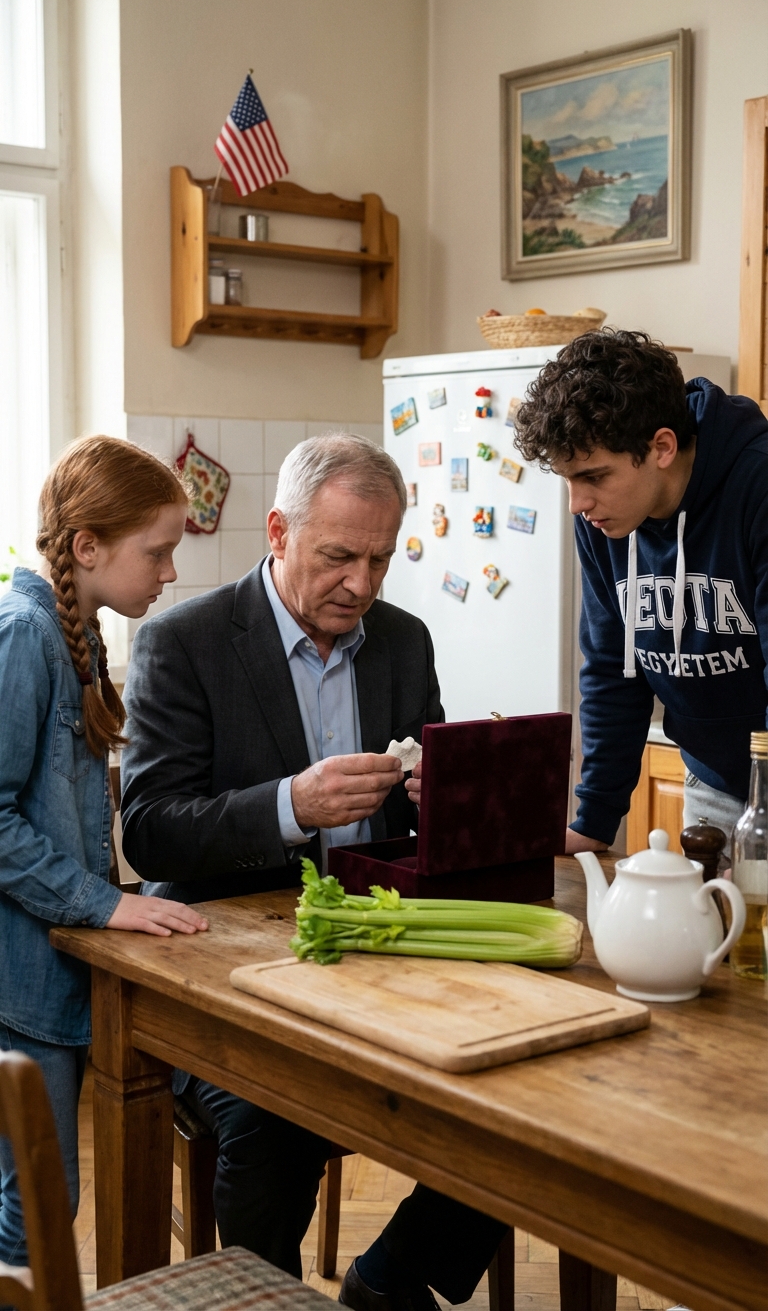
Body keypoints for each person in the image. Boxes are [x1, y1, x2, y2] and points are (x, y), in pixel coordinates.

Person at [121, 433, 506, 1311]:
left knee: (513, 1099)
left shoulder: (403, 642)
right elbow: (148, 833)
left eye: (380, 559)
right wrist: (291, 804)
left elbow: (424, 821)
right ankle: (268, 1298)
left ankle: (389, 1278)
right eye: (339, 557)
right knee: (273, 1118)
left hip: (380, 955)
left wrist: (466, 790)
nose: (362, 586)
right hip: (221, 972)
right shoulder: (184, 642)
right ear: (279, 532)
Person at [0, 437, 208, 1268]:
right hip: (18, 979)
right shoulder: (25, 637)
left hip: (50, 972)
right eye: (156, 552)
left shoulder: (75, 635)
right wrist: (108, 904)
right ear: (87, 548)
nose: (168, 573)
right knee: (39, 1210)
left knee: (40, 1200)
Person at [514, 328, 768, 857]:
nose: (576, 503)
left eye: (593, 476)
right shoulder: (606, 520)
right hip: (715, 784)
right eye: (566, 479)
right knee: (712, 935)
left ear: (661, 447)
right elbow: (612, 667)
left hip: (760, 782)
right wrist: (594, 818)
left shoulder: (758, 487)